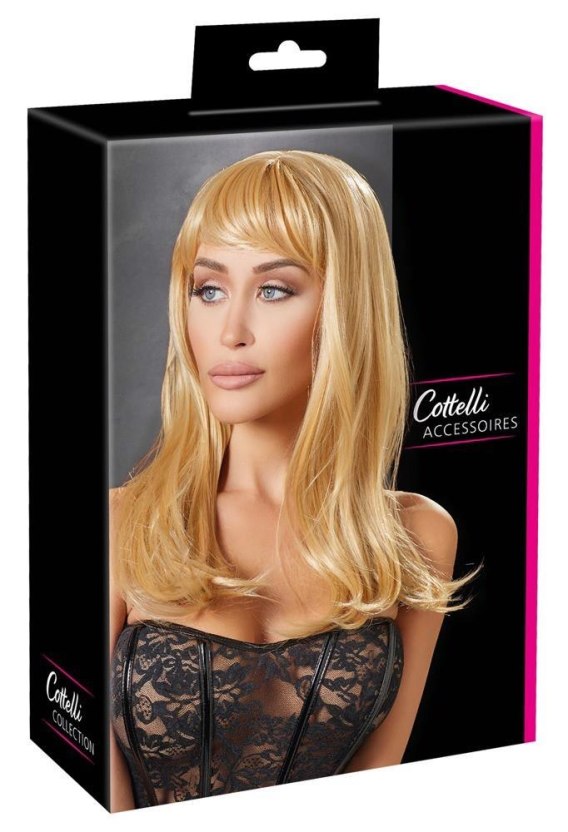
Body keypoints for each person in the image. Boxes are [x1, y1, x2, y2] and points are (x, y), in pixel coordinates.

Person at [108, 149, 479, 811]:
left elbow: (376, 788)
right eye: (208, 289)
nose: (230, 331)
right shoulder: (117, 525)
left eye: (273, 290)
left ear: (345, 309)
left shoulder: (417, 535)